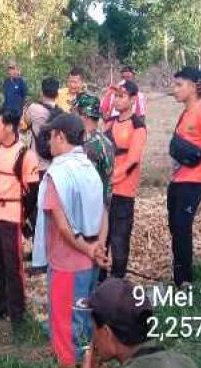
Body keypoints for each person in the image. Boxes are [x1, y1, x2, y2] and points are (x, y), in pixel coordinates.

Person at [32, 113, 109, 368]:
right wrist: (98, 246)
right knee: (84, 312)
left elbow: (62, 226)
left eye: (51, 136)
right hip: (91, 260)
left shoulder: (58, 174)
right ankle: (89, 360)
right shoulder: (90, 168)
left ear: (60, 136)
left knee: (66, 319)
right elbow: (103, 212)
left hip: (67, 262)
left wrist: (88, 247)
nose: (49, 143)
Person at [0, 108, 40, 338]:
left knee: (13, 267)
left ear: (9, 127)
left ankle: (18, 316)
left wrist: (24, 218)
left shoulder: (25, 155)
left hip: (12, 216)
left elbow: (33, 192)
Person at [168, 67, 201, 289]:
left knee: (182, 228)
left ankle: (185, 281)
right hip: (178, 179)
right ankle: (179, 275)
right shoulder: (186, 112)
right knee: (175, 226)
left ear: (193, 87)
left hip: (192, 182)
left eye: (179, 85)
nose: (175, 89)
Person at [102, 81, 147, 279]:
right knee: (102, 237)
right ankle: (99, 279)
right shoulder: (111, 122)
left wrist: (112, 179)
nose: (117, 100)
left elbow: (132, 160)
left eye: (121, 96)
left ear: (133, 99)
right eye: (116, 96)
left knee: (119, 240)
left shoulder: (138, 126)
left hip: (123, 190)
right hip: (106, 190)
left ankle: (117, 283)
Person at [74, 92, 114, 264]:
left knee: (88, 255)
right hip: (105, 205)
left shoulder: (86, 146)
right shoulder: (106, 141)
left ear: (83, 115)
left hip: (89, 209)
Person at [24, 77, 63, 174]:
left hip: (35, 164)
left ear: (41, 92)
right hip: (53, 165)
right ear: (57, 94)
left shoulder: (33, 108)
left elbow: (26, 121)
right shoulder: (61, 114)